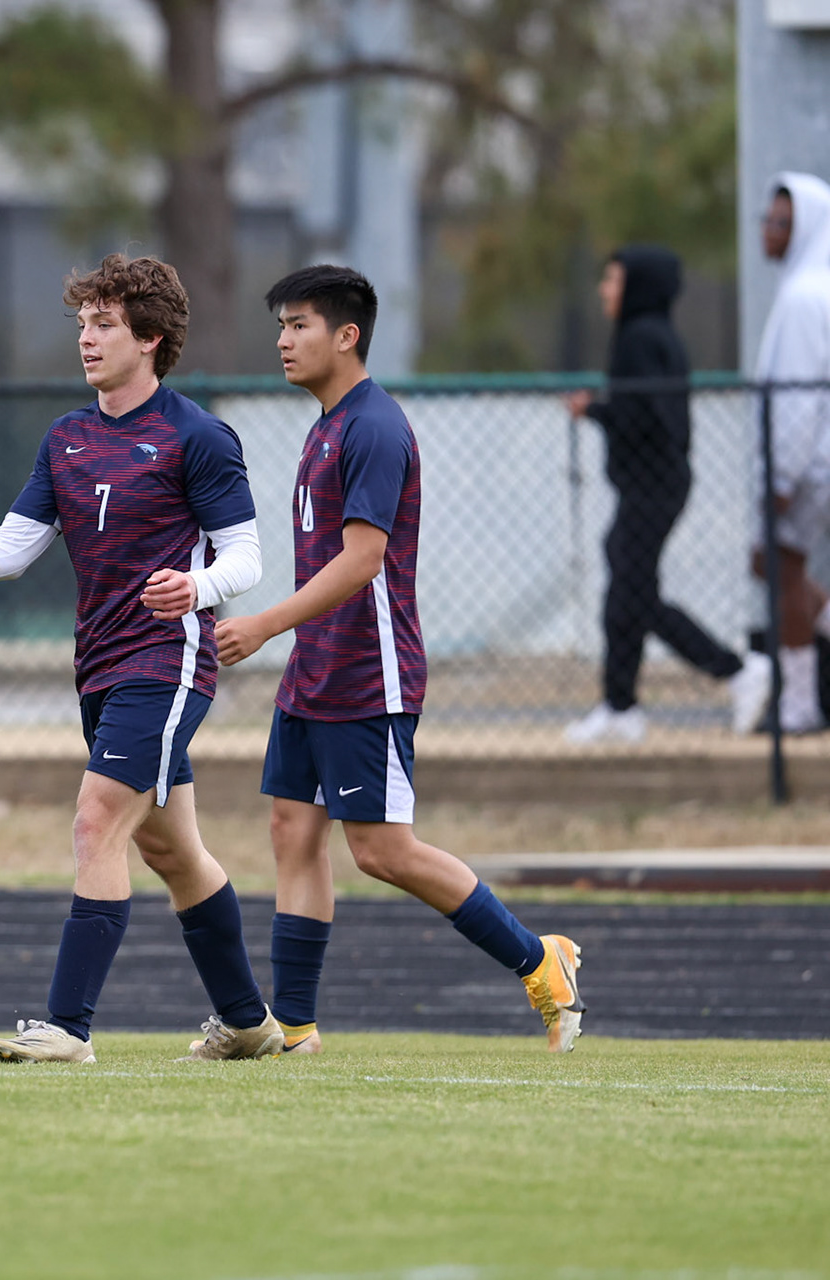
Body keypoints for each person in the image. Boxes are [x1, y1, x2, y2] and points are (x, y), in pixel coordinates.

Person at [0, 253, 282, 1063]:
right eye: (83, 324)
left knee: (95, 819)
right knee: (172, 850)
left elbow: (248, 556)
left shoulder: (196, 436)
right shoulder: (66, 438)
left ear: (152, 338)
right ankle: (247, 1022)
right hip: (99, 667)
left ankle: (68, 1028)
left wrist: (198, 587)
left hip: (165, 664)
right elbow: (10, 549)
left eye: (105, 325)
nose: (88, 339)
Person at [216, 265, 584, 1055]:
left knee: (382, 851)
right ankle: (299, 1032)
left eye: (301, 324)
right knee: (291, 830)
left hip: (365, 673)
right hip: (313, 673)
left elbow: (362, 561)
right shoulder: (325, 423)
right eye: (281, 324)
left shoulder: (373, 427)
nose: (283, 340)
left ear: (347, 336)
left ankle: (540, 960)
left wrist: (265, 626)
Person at [561, 246, 771, 743]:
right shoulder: (655, 335)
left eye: (612, 280)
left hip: (652, 487)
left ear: (636, 286)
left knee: (635, 595)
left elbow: (639, 417)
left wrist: (594, 411)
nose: (604, 290)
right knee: (625, 587)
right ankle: (620, 706)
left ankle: (738, 671)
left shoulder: (637, 338)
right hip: (653, 484)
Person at [751, 173, 830, 733]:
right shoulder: (809, 287)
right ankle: (798, 702)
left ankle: (799, 706)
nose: (769, 231)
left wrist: (780, 478)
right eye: (768, 218)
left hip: (810, 469)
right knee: (774, 566)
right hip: (811, 464)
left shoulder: (806, 298)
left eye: (783, 222)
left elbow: (798, 401)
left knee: (778, 568)